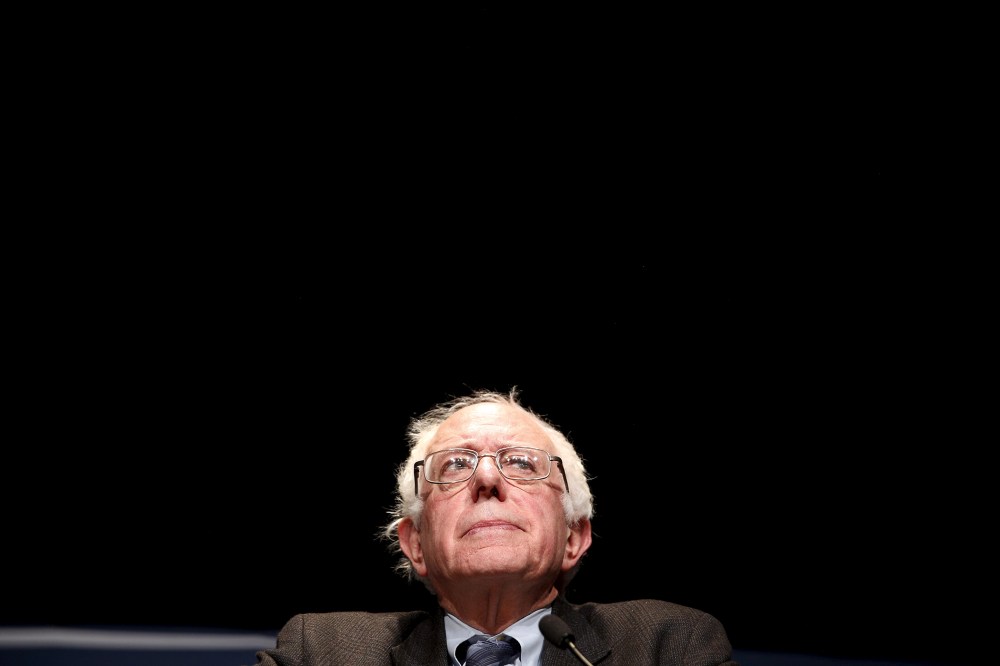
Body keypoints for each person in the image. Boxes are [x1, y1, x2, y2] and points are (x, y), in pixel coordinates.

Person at [254, 388, 738, 665]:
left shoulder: (668, 646)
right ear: (415, 543)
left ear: (574, 536)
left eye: (522, 463)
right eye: (455, 465)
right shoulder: (321, 652)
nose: (486, 478)